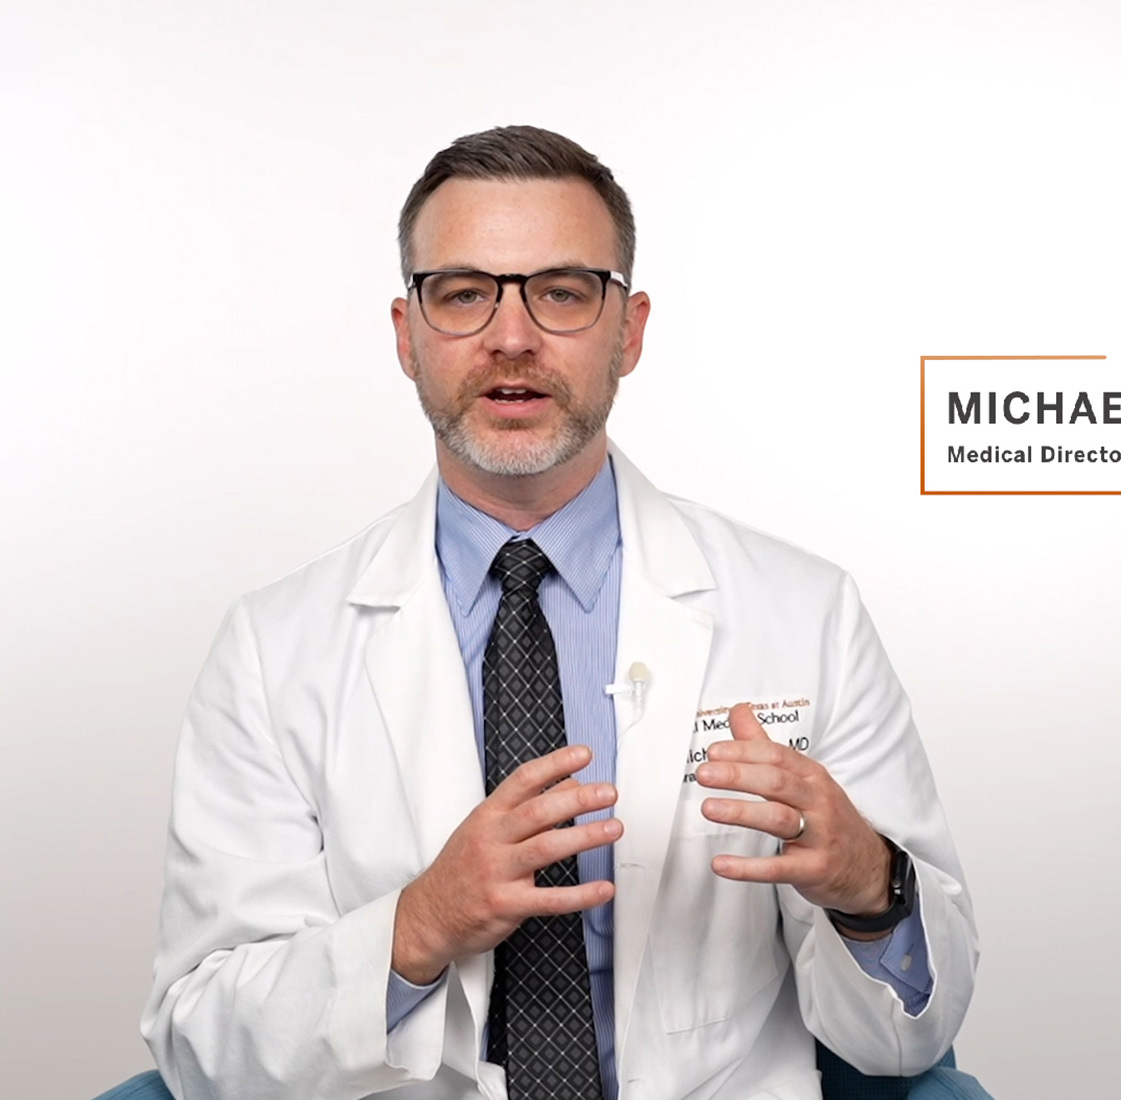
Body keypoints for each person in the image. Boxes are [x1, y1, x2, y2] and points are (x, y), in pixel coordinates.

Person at [141, 126, 979, 1100]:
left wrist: (871, 889)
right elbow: (204, 1039)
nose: (511, 336)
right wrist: (417, 926)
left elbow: (912, 1038)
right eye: (463, 293)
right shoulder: (274, 647)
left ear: (630, 329)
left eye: (563, 291)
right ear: (406, 334)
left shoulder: (803, 610)